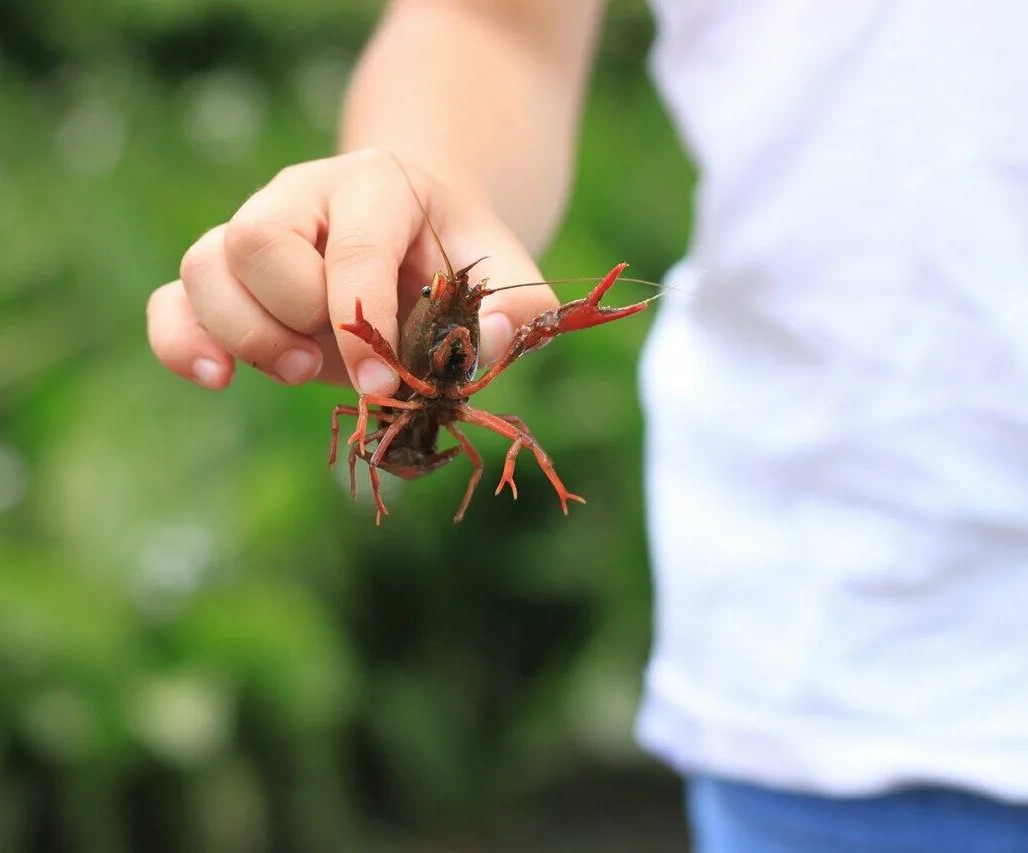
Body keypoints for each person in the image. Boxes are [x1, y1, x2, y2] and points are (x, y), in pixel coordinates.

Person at [148, 1, 1028, 849]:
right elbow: (494, 21)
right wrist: (417, 184)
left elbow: (513, 421)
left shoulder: (462, 360)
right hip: (844, 683)